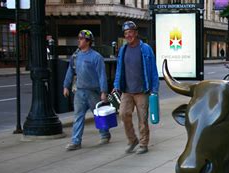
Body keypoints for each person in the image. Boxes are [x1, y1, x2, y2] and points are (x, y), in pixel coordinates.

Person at [113, 21, 159, 154]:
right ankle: (132, 140)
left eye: (130, 32)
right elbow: (119, 69)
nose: (128, 35)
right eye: (126, 33)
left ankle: (143, 144)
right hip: (126, 90)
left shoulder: (145, 49)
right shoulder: (123, 49)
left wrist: (154, 90)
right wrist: (116, 85)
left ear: (136, 33)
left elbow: (153, 71)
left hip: (142, 91)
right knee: (123, 114)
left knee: (142, 119)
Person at [63, 29, 110, 151]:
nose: (79, 40)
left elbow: (102, 75)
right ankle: (75, 141)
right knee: (78, 116)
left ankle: (104, 134)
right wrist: (66, 86)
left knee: (98, 115)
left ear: (88, 41)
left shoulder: (96, 57)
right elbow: (70, 71)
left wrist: (103, 92)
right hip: (79, 92)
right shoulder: (75, 56)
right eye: (78, 38)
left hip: (93, 92)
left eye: (81, 38)